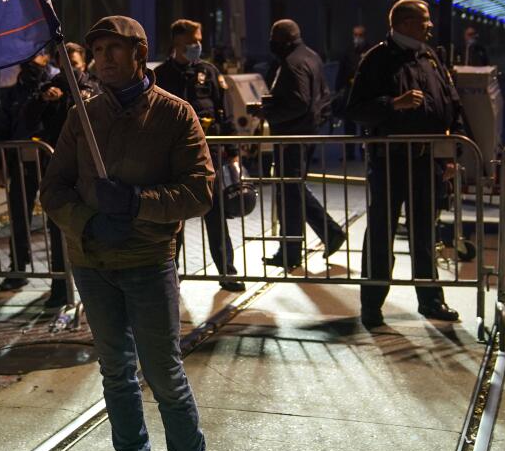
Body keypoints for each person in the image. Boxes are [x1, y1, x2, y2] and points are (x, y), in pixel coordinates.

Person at [40, 15, 222, 451]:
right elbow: (53, 190)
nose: (105, 59)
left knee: (164, 375)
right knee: (116, 374)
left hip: (146, 263)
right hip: (92, 263)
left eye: (115, 50)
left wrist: (139, 204)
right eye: (97, 51)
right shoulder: (83, 115)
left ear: (140, 53)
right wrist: (89, 221)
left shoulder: (175, 114)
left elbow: (199, 191)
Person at [345, 0, 466, 327]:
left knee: (425, 235)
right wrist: (391, 104)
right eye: (423, 20)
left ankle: (430, 300)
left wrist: (452, 150)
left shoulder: (430, 56)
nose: (429, 25)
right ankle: (372, 305)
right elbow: (355, 109)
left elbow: (451, 104)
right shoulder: (378, 58)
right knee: (381, 234)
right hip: (390, 162)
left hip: (428, 163)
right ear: (404, 24)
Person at [154, 19, 243, 291]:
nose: (197, 46)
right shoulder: (162, 75)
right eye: (192, 42)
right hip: (174, 160)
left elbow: (223, 115)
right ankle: (171, 274)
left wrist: (233, 154)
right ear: (177, 43)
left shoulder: (209, 72)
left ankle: (227, 272)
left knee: (215, 216)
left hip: (209, 159)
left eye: (199, 40)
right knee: (173, 218)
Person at [255, 19, 347, 268]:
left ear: (282, 38)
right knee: (293, 189)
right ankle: (320, 237)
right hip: (305, 133)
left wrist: (268, 114)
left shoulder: (292, 63)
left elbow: (298, 102)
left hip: (291, 136)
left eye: (273, 36)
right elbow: (322, 96)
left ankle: (298, 248)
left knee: (290, 192)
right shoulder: (311, 56)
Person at [17, 42, 101, 307]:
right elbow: (25, 118)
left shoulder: (96, 86)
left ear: (84, 63)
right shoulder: (49, 86)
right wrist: (43, 100)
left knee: (92, 229)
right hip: (60, 170)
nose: (71, 71)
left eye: (75, 64)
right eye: (66, 65)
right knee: (58, 229)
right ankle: (60, 289)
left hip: (90, 171)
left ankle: (96, 289)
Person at [0, 48, 60, 293]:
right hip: (22, 162)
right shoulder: (13, 92)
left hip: (51, 161)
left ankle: (60, 270)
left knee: (55, 217)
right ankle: (18, 267)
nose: (35, 60)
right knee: (19, 214)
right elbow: (2, 127)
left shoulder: (56, 85)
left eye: (40, 55)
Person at [334, 25, 370, 160]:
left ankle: (364, 153)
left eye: (360, 35)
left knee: (364, 125)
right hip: (350, 93)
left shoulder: (370, 51)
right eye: (355, 35)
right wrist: (339, 89)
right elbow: (342, 71)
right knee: (349, 125)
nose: (357, 38)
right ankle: (349, 152)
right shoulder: (349, 52)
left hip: (365, 94)